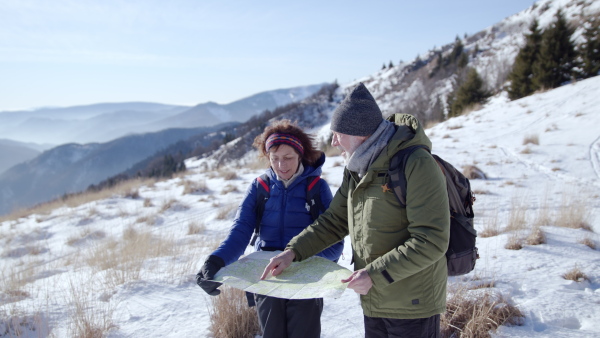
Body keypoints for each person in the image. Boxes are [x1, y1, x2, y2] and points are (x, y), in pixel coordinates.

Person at [261, 83, 450, 338]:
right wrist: (293, 252)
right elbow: (334, 221)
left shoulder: (416, 164)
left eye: (339, 133)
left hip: (412, 304)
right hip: (375, 298)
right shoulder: (357, 167)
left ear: (361, 133)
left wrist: (374, 274)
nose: (334, 141)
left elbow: (431, 239)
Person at [196, 119, 344, 338]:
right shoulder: (260, 187)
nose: (282, 165)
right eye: (275, 159)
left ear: (300, 155)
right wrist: (215, 261)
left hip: (306, 279)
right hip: (267, 278)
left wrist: (296, 257)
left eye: (288, 158)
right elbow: (240, 231)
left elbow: (335, 243)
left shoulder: (316, 188)